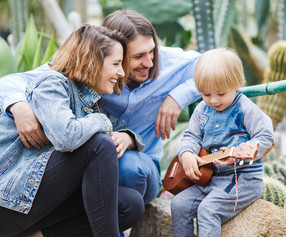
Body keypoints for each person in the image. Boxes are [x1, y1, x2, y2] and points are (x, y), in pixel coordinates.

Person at [0, 10, 202, 205]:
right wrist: (19, 106)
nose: (149, 62)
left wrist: (176, 97)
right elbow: (14, 81)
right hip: (90, 166)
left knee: (125, 168)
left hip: (140, 165)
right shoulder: (93, 67)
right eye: (138, 56)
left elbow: (220, 68)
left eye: (152, 51)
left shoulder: (171, 63)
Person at [0, 24, 144, 237]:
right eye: (115, 64)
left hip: (32, 205)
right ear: (93, 61)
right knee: (99, 145)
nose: (121, 73)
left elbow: (110, 129)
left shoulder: (88, 100)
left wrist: (128, 137)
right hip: (8, 203)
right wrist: (101, 121)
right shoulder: (52, 84)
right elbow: (67, 137)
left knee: (129, 204)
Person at [170, 48, 275, 237]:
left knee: (208, 210)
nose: (213, 100)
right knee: (179, 205)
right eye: (206, 94)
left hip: (242, 181)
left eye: (220, 93)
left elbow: (265, 136)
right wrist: (186, 153)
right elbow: (191, 136)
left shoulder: (245, 108)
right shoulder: (202, 109)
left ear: (236, 83)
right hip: (209, 178)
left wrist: (241, 152)